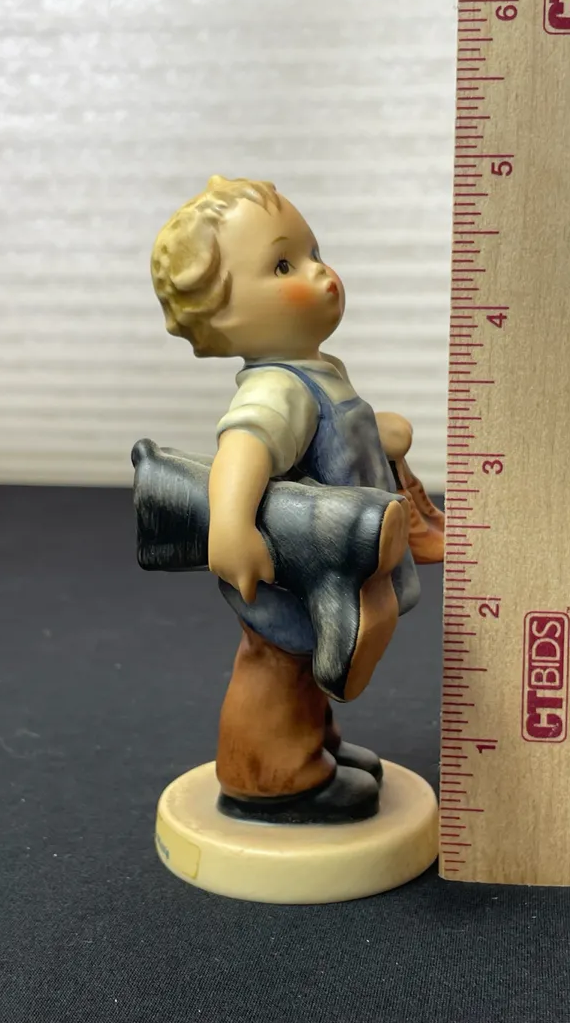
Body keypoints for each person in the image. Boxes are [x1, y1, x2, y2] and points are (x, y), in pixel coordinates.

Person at [150, 176, 444, 823]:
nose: (320, 272)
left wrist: (375, 432)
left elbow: (323, 441)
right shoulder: (275, 389)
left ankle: (315, 746)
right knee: (277, 663)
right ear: (224, 316)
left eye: (313, 252)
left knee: (309, 660)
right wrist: (232, 527)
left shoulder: (316, 372)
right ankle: (269, 778)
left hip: (328, 558)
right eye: (283, 265)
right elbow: (244, 449)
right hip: (294, 562)